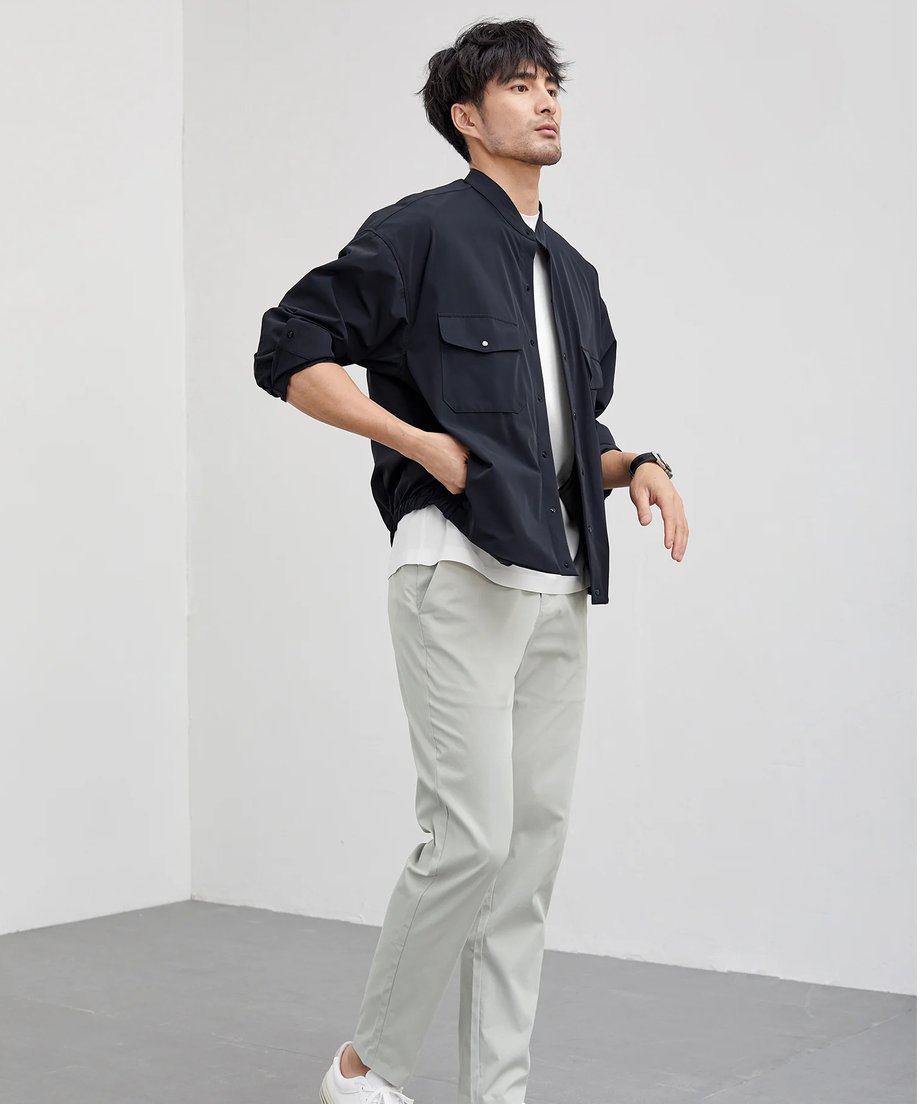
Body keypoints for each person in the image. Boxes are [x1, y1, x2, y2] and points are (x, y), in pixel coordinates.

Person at [253, 18, 689, 1104]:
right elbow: (288, 348)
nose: (545, 102)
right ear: (466, 115)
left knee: (527, 857)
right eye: (519, 86)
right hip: (454, 568)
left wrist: (635, 463)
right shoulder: (418, 233)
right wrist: (415, 442)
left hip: (559, 580)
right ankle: (365, 1066)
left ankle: (498, 1089)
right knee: (470, 838)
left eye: (551, 85)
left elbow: (566, 435)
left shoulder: (574, 275)